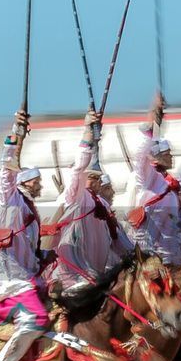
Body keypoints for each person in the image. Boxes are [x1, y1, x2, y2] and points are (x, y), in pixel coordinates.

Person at [0, 110, 50, 361]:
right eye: (38, 181)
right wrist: (16, 133)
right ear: (26, 181)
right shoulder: (9, 199)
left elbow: (31, 255)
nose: (41, 185)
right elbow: (6, 165)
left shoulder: (29, 212)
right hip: (7, 281)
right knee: (37, 319)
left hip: (25, 276)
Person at [48, 109, 133, 291]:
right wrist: (88, 132)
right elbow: (80, 167)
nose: (96, 182)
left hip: (94, 275)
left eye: (97, 178)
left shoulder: (100, 204)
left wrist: (136, 258)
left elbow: (118, 238)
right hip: (69, 277)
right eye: (92, 178)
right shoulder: (74, 196)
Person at [127, 94, 181, 266]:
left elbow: (176, 220)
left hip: (172, 254)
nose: (171, 157)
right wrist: (152, 127)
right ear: (154, 159)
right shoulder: (147, 178)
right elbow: (140, 156)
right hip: (149, 256)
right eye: (166, 154)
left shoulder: (170, 183)